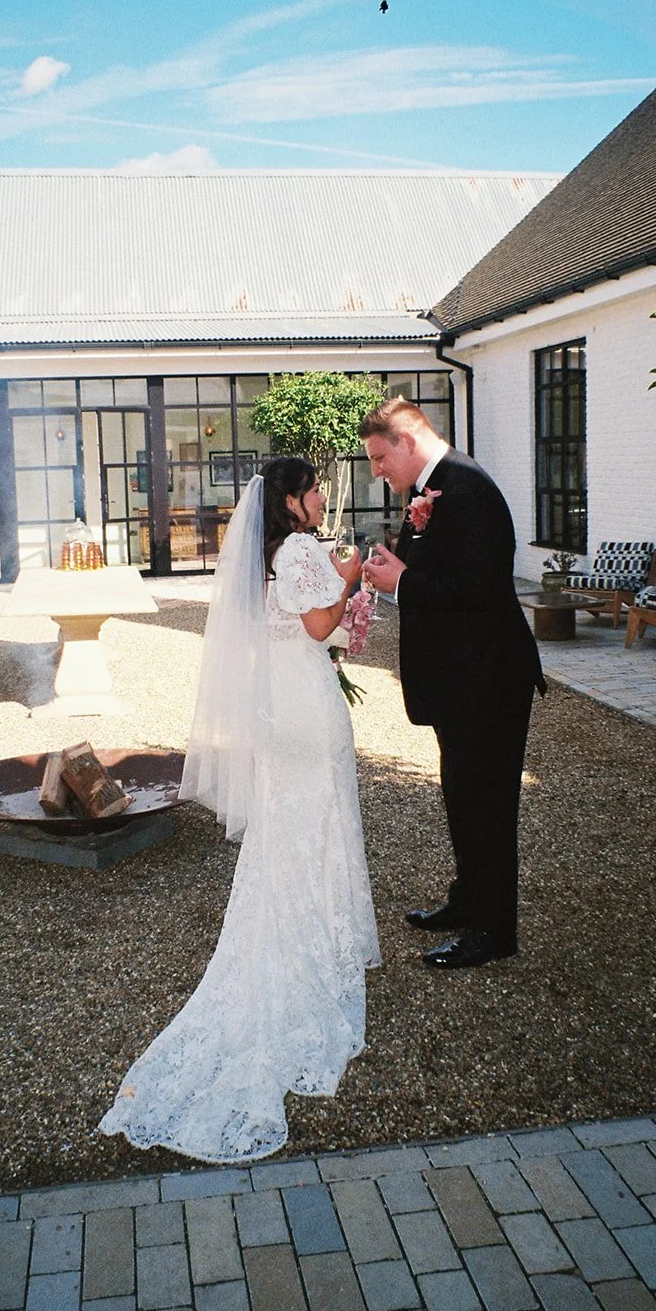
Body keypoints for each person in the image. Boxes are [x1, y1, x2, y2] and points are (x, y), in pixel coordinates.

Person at [100, 458, 380, 1163]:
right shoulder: (301, 549)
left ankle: (312, 928)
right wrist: (351, 573)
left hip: (278, 711)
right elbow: (319, 626)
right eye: (314, 488)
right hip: (309, 711)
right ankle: (325, 941)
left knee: (293, 828)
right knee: (320, 824)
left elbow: (294, 627)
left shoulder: (265, 557)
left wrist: (341, 592)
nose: (321, 497)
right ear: (291, 499)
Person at [360, 398, 545, 969]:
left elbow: (480, 592)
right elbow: (446, 571)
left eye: (379, 457)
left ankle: (494, 932)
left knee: (487, 806)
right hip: (463, 679)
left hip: (487, 679)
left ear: (408, 442)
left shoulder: (467, 489)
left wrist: (403, 581)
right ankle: (467, 903)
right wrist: (404, 561)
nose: (376, 471)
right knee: (463, 798)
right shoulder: (438, 487)